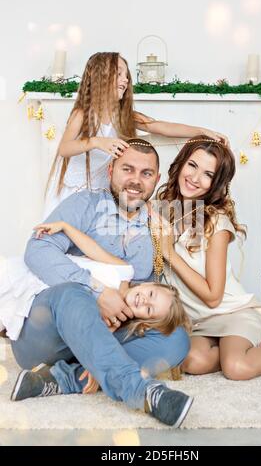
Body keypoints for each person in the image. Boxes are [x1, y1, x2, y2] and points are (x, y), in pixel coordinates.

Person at [9, 138, 193, 428]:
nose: (135, 180)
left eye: (146, 174)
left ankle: (64, 378)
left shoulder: (155, 226)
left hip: (106, 333)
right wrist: (96, 292)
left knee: (178, 337)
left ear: (156, 180)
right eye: (127, 169)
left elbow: (146, 290)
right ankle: (141, 391)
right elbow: (38, 250)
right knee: (71, 294)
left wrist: (130, 306)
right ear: (110, 172)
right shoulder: (85, 204)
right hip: (46, 331)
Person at [155, 134, 261, 379]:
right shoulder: (162, 210)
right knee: (191, 361)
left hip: (233, 313)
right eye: (192, 165)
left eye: (208, 174)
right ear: (180, 163)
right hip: (198, 323)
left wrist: (169, 252)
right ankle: (247, 349)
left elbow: (213, 297)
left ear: (216, 183)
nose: (194, 178)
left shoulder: (216, 223)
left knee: (236, 368)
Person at [44, 51, 228, 217]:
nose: (125, 80)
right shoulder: (82, 114)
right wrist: (96, 142)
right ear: (100, 77)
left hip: (101, 192)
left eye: (126, 76)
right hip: (74, 191)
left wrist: (202, 131)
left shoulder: (125, 117)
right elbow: (64, 148)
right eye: (119, 74)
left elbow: (160, 126)